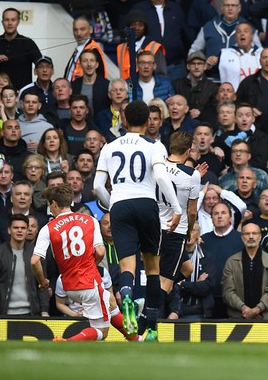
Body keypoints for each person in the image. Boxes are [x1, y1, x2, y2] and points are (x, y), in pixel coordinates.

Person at [93, 100, 181, 341]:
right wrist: (176, 208)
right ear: (148, 121)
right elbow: (162, 179)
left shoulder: (109, 147)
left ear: (124, 120)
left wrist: (114, 203)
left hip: (120, 204)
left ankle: (128, 299)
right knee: (153, 267)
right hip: (146, 203)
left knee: (126, 266)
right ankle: (151, 328)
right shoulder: (155, 145)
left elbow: (97, 186)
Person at [31, 185, 109, 340]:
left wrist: (42, 282)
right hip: (90, 281)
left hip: (68, 286)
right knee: (103, 331)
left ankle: (136, 338)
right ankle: (67, 341)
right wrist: (89, 266)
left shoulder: (48, 228)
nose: (50, 209)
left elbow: (34, 261)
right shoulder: (91, 220)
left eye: (48, 204)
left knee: (109, 301)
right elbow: (100, 252)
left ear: (54, 203)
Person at [157, 132, 201, 317]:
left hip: (154, 227)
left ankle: (153, 295)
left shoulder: (157, 166)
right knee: (165, 282)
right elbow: (191, 210)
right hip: (175, 230)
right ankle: (149, 322)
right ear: (189, 150)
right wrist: (190, 230)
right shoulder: (192, 174)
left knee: (186, 268)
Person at [221, 222, 268, 320]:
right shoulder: (232, 262)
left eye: (254, 233)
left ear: (260, 237)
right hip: (239, 318)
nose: (251, 236)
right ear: (242, 237)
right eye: (247, 234)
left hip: (266, 318)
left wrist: (257, 309)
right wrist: (244, 309)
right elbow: (227, 292)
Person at [0, 7, 42, 90]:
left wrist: (38, 89)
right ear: (2, 22)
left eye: (13, 20)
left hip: (22, 95)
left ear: (18, 22)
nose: (10, 23)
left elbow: (41, 66)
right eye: (7, 20)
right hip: (1, 95)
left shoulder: (28, 42)